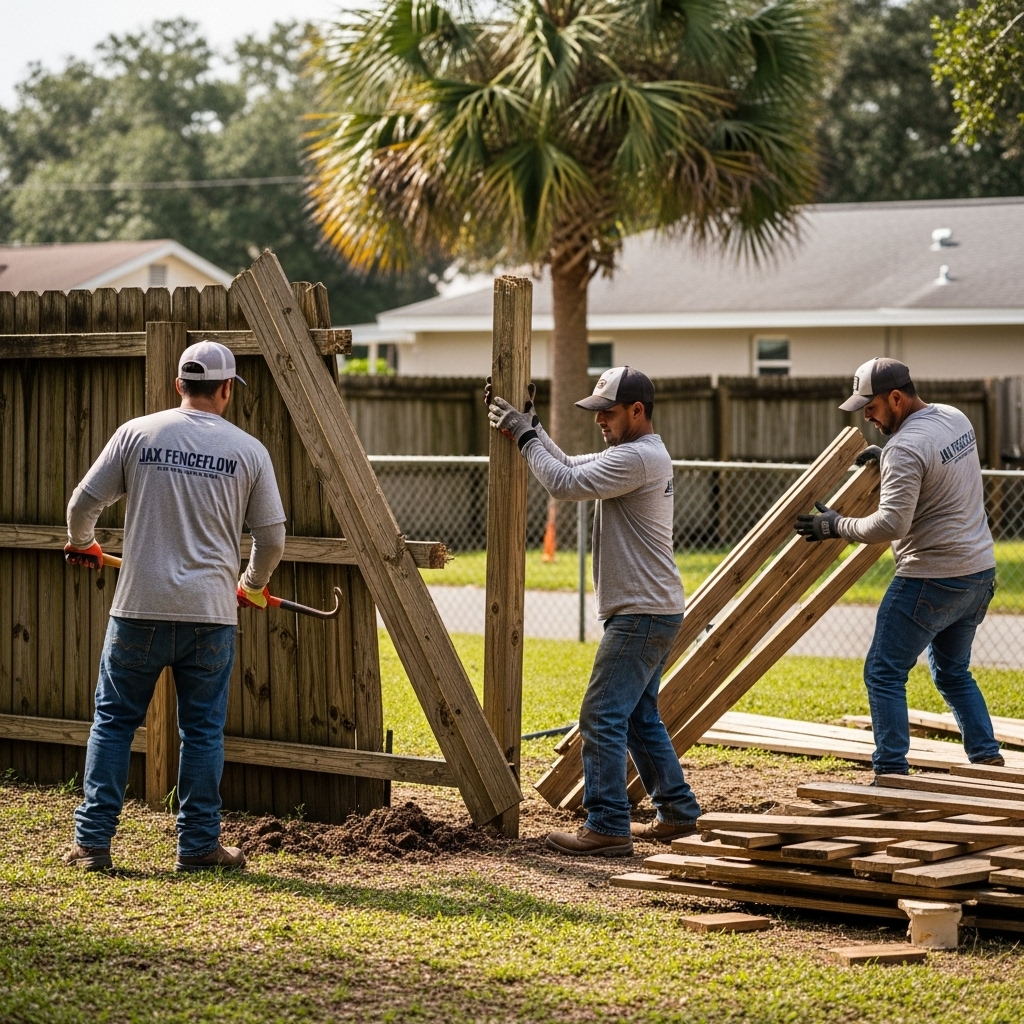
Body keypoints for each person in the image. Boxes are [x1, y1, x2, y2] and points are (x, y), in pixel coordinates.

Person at [63, 341, 287, 872]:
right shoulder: (248, 451)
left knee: (114, 724)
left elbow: (81, 505)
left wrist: (83, 543)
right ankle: (198, 848)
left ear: (178, 385)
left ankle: (92, 845)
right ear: (227, 389)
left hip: (138, 608)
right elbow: (272, 539)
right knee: (203, 732)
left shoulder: (139, 433)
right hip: (211, 618)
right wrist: (252, 583)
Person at [489, 366, 701, 857]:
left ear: (637, 410)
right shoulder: (633, 453)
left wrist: (524, 435)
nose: (599, 420)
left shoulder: (638, 458)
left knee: (601, 713)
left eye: (607, 412)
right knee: (638, 717)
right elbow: (566, 463)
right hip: (652, 609)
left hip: (641, 612)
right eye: (596, 412)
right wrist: (532, 426)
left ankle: (606, 824)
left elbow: (562, 484)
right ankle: (678, 813)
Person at [795, 356, 1003, 777]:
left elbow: (891, 523)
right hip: (979, 573)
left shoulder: (905, 448)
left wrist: (835, 525)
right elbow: (933, 465)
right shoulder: (953, 417)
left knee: (883, 672)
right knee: (952, 673)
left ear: (895, 397)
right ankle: (987, 757)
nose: (867, 418)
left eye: (870, 407)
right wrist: (888, 456)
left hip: (931, 577)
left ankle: (891, 772)